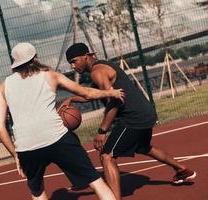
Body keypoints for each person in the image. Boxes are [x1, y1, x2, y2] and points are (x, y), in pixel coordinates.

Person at [62, 43, 196, 200]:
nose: (72, 66)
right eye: (70, 63)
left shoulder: (97, 72)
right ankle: (182, 170)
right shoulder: (102, 66)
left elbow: (114, 101)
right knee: (144, 147)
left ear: (85, 56)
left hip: (133, 118)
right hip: (145, 112)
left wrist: (102, 131)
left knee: (106, 156)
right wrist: (72, 99)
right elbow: (95, 93)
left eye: (74, 61)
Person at [0, 42, 126, 200]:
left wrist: (16, 155)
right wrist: (110, 93)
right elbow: (87, 93)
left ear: (15, 63)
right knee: (96, 181)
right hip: (58, 138)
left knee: (37, 193)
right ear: (35, 57)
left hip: (26, 146)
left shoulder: (4, 86)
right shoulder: (50, 75)